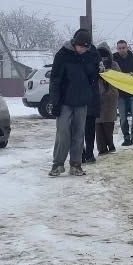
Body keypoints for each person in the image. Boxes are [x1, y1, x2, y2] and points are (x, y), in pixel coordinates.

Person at [47, 29, 97, 176]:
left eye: (85, 47)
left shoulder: (90, 56)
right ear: (75, 43)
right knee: (63, 134)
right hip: (64, 102)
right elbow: (55, 80)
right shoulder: (62, 55)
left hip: (82, 101)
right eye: (81, 46)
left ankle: (76, 164)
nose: (83, 49)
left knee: (78, 134)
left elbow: (92, 78)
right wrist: (55, 102)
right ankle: (57, 164)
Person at [113, 40, 133, 145]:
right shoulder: (113, 60)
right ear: (117, 48)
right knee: (122, 118)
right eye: (120, 48)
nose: (122, 50)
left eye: (124, 47)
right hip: (120, 94)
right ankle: (126, 138)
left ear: (127, 48)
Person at [95, 43, 120, 155]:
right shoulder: (94, 64)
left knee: (108, 124)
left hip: (110, 97)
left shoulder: (113, 64)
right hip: (97, 97)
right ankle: (102, 148)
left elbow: (118, 77)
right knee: (98, 125)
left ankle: (110, 144)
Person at [81, 42, 104, 164]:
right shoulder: (92, 55)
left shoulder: (95, 54)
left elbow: (100, 72)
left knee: (87, 128)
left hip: (89, 96)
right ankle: (83, 153)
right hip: (84, 96)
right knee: (82, 128)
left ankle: (88, 153)